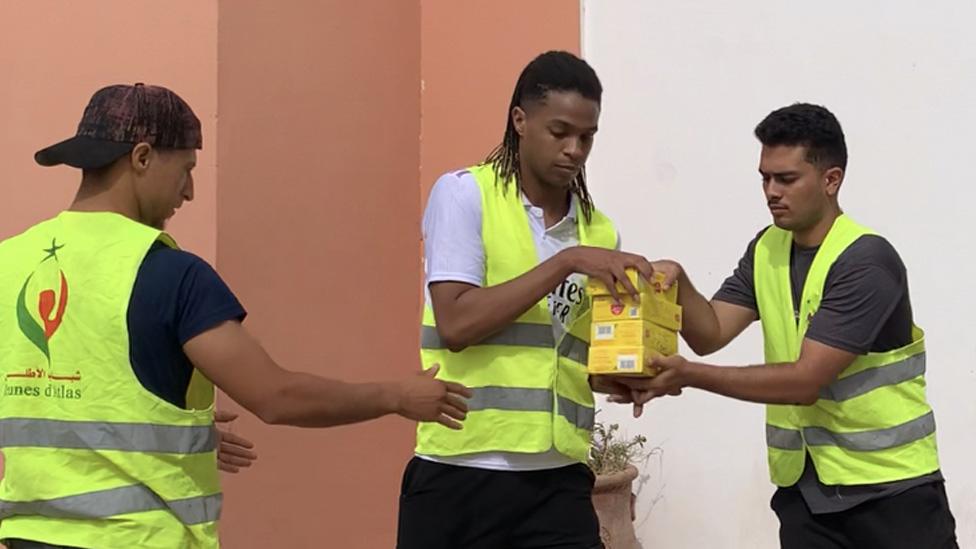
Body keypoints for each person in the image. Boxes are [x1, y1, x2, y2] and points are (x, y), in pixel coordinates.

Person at [0, 83, 471, 549]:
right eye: (185, 169)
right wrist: (396, 395)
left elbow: (60, 398)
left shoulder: (10, 263)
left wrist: (176, 437)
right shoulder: (170, 274)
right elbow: (275, 396)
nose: (188, 191)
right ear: (141, 157)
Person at [638, 103, 958, 548]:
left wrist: (689, 375)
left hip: (892, 494)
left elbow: (806, 380)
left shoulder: (866, 261)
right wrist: (680, 282)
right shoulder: (767, 249)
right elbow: (710, 332)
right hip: (807, 497)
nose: (771, 191)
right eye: (765, 178)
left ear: (831, 180)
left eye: (786, 179)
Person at [396, 51, 656, 549]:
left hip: (559, 480)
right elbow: (456, 324)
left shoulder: (599, 230)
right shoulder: (464, 195)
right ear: (520, 120)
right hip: (462, 474)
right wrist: (566, 262)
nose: (575, 149)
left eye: (588, 136)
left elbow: (569, 355)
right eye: (560, 132)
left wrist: (627, 376)